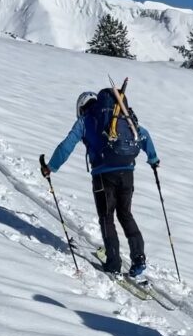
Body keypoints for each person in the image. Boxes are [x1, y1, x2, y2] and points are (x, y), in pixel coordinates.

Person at [41, 90, 160, 278]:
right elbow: (142, 134)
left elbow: (67, 146)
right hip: (127, 171)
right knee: (125, 214)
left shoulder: (86, 120)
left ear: (81, 108)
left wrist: (50, 167)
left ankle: (113, 263)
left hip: (103, 176)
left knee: (106, 217)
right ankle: (138, 258)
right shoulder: (119, 116)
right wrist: (153, 158)